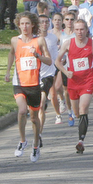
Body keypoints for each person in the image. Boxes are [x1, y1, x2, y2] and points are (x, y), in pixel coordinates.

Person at [5, 12, 52, 162]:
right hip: (19, 83)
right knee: (22, 110)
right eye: (22, 24)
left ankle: (36, 145)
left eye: (27, 24)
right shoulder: (14, 40)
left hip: (34, 84)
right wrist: (7, 71)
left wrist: (37, 56)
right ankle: (22, 140)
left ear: (33, 25)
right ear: (18, 25)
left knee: (33, 118)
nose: (24, 27)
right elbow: (11, 54)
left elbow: (49, 61)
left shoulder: (39, 41)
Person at [55, 19, 93, 154]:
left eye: (82, 29)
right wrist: (65, 71)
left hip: (88, 81)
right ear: (73, 30)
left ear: (86, 30)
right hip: (73, 82)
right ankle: (81, 131)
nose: (80, 32)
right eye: (77, 29)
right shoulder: (68, 44)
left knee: (83, 108)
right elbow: (57, 61)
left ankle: (81, 141)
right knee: (78, 113)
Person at [37, 15, 59, 148]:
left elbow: (55, 57)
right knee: (35, 108)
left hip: (48, 73)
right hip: (34, 74)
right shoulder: (34, 38)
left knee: (41, 103)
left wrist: (56, 71)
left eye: (46, 22)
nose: (44, 24)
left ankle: (39, 134)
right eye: (42, 22)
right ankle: (37, 130)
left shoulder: (52, 38)